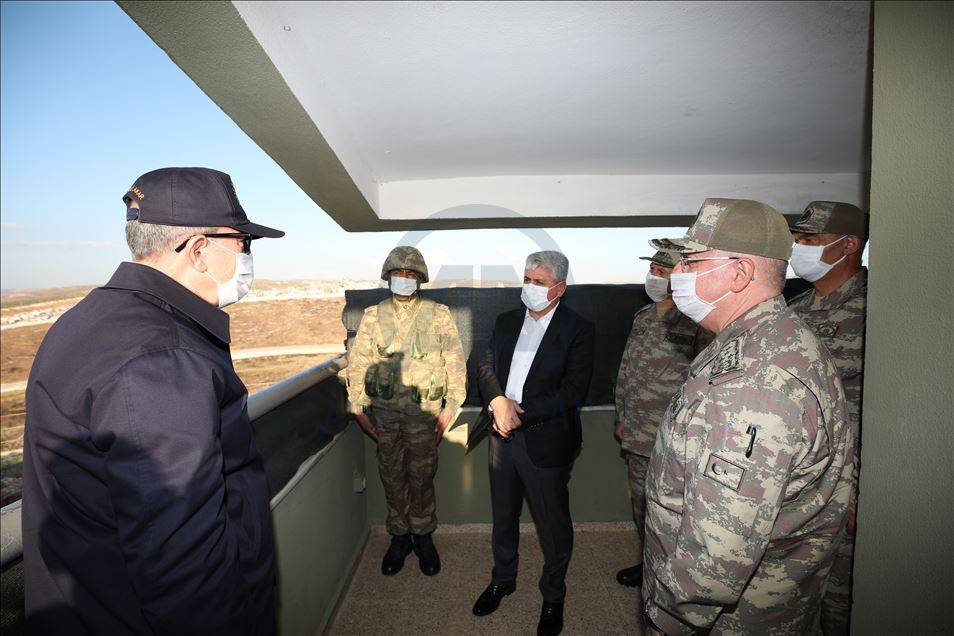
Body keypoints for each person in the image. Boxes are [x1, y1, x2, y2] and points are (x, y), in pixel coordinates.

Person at [21, 167, 284, 634]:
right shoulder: (162, 358)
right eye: (243, 242)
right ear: (199, 250)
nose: (247, 256)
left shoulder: (91, 319)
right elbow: (184, 562)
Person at [641, 198, 855, 635]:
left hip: (731, 619)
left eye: (692, 262)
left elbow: (715, 559)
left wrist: (667, 618)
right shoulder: (772, 337)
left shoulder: (751, 384)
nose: (678, 273)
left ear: (739, 273)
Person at [472, 251, 595, 636]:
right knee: (504, 516)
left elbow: (573, 391)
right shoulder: (506, 321)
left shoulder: (578, 329)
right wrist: (498, 403)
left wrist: (517, 413)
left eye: (539, 282)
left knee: (552, 525)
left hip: (546, 440)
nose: (530, 287)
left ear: (559, 288)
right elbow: (485, 366)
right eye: (526, 279)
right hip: (500, 435)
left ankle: (553, 595)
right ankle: (502, 580)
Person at [346, 246, 466, 577]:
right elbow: (359, 362)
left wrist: (451, 408)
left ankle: (423, 535)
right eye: (398, 273)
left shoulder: (439, 314)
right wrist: (357, 406)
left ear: (420, 278)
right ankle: (399, 535)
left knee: (422, 476)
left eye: (410, 274)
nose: (403, 278)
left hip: (425, 414)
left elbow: (454, 362)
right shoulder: (373, 315)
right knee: (391, 474)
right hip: (385, 414)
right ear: (388, 277)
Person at [788, 200, 868, 635]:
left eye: (810, 240)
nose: (798, 248)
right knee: (791, 592)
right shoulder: (795, 309)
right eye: (797, 239)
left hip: (843, 482)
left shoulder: (877, 311)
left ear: (849, 245)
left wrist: (858, 490)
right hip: (795, 475)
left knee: (841, 600)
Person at [613, 250, 712, 589]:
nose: (654, 276)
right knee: (642, 503)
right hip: (638, 431)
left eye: (662, 270)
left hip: (675, 435)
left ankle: (674, 573)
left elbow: (705, 381)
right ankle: (649, 564)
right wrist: (622, 414)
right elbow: (627, 368)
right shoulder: (642, 317)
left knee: (674, 508)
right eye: (652, 269)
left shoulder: (696, 321)